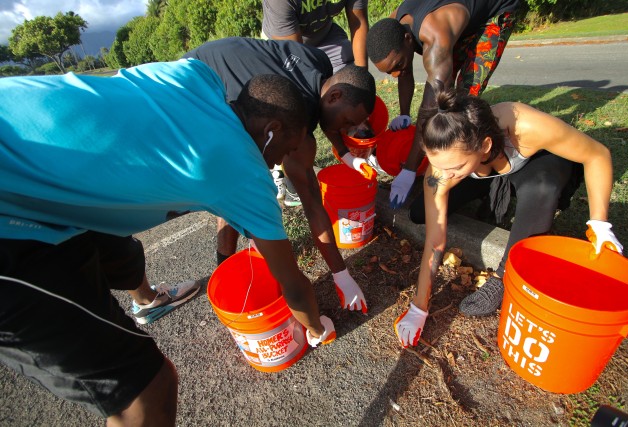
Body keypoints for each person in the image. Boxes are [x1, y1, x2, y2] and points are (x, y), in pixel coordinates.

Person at [0, 59, 336, 424]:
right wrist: (316, 330)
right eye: (286, 149)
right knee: (145, 390)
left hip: (19, 129)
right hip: (9, 216)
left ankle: (146, 301)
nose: (282, 161)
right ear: (271, 130)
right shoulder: (242, 171)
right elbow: (295, 288)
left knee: (118, 252)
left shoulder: (196, 73)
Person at [393, 89, 623, 348]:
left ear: (485, 146)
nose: (443, 174)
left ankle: (505, 277)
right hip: (482, 167)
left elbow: (597, 155)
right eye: (438, 165)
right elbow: (435, 239)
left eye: (453, 168)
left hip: (536, 163)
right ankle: (492, 185)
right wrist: (419, 307)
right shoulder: (444, 165)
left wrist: (600, 224)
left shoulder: (526, 127)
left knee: (541, 187)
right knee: (420, 213)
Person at [183, 37, 377, 313]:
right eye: (347, 122)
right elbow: (310, 198)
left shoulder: (321, 67)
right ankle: (228, 271)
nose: (346, 130)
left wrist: (345, 153)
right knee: (237, 183)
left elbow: (328, 117)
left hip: (218, 58)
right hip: (198, 84)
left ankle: (233, 265)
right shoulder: (292, 108)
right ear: (333, 96)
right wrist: (340, 273)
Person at [365, 0, 520, 209]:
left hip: (492, 11)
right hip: (455, 21)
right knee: (446, 95)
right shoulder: (394, 26)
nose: (394, 74)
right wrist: (404, 114)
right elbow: (405, 71)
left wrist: (410, 169)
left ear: (408, 39)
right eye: (388, 72)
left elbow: (429, 109)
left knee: (464, 101)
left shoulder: (435, 36)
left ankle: (484, 172)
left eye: (397, 66)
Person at [261, 0, 369, 73]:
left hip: (326, 35)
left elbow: (358, 23)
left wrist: (363, 78)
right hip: (284, 47)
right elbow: (295, 55)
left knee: (351, 81)